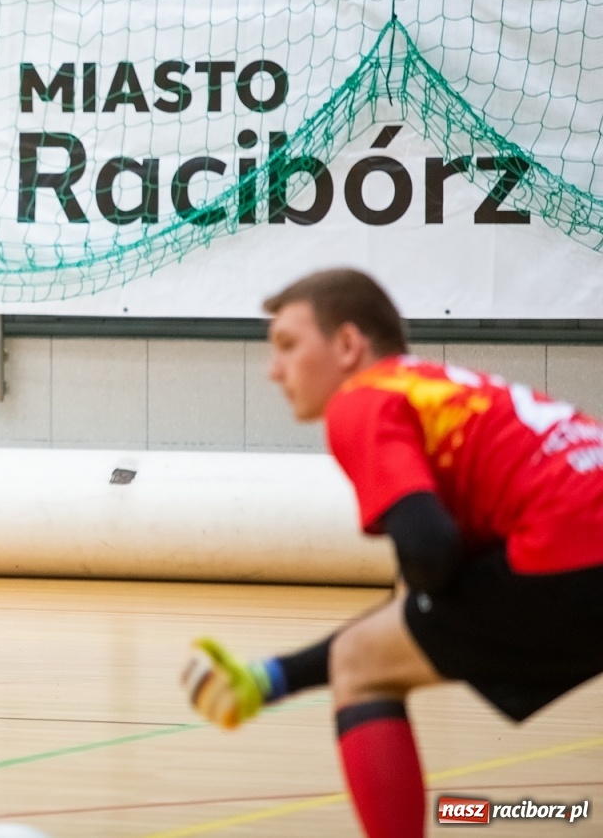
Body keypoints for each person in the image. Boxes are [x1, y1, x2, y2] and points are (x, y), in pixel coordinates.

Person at [182, 268, 603, 838]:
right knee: (373, 649)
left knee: (363, 667)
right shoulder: (442, 387)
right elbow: (425, 606)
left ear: (349, 345)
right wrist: (275, 677)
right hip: (579, 534)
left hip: (574, 551)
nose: (273, 370)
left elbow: (430, 550)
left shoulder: (362, 400)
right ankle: (269, 679)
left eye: (287, 345)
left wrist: (419, 586)